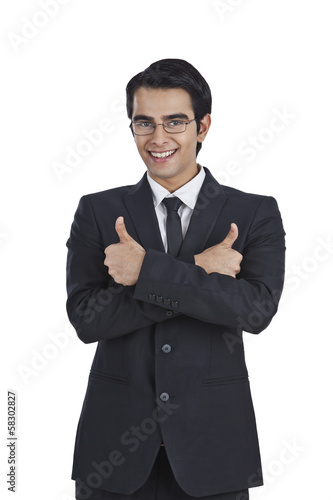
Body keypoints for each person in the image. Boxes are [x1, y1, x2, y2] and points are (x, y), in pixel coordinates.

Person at [65, 58, 286, 500]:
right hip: (115, 453)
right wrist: (199, 273)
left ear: (202, 126)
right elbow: (88, 320)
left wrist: (146, 272)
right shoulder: (98, 211)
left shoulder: (254, 213)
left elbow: (255, 310)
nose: (158, 138)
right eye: (143, 123)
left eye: (175, 122)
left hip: (215, 450)